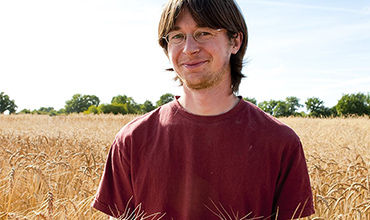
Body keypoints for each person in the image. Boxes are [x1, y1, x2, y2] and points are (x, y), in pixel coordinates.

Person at [92, 0, 315, 219]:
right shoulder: (132, 140)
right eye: (177, 36)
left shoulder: (280, 142)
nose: (189, 48)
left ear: (235, 41)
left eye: (204, 32)